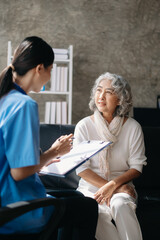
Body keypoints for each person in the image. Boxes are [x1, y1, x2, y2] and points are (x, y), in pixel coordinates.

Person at [0, 36, 98, 239]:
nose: (50, 76)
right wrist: (54, 152)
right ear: (39, 68)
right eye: (51, 69)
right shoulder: (23, 104)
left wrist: (44, 159)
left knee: (75, 198)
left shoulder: (5, 98)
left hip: (7, 199)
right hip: (14, 208)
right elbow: (19, 172)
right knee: (86, 207)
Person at [73, 72, 147, 240]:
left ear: (120, 99)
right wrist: (110, 187)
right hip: (91, 188)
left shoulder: (133, 127)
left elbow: (137, 168)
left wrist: (114, 186)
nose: (101, 96)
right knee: (94, 211)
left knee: (120, 204)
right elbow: (82, 169)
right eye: (99, 90)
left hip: (121, 184)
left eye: (108, 92)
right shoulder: (84, 126)